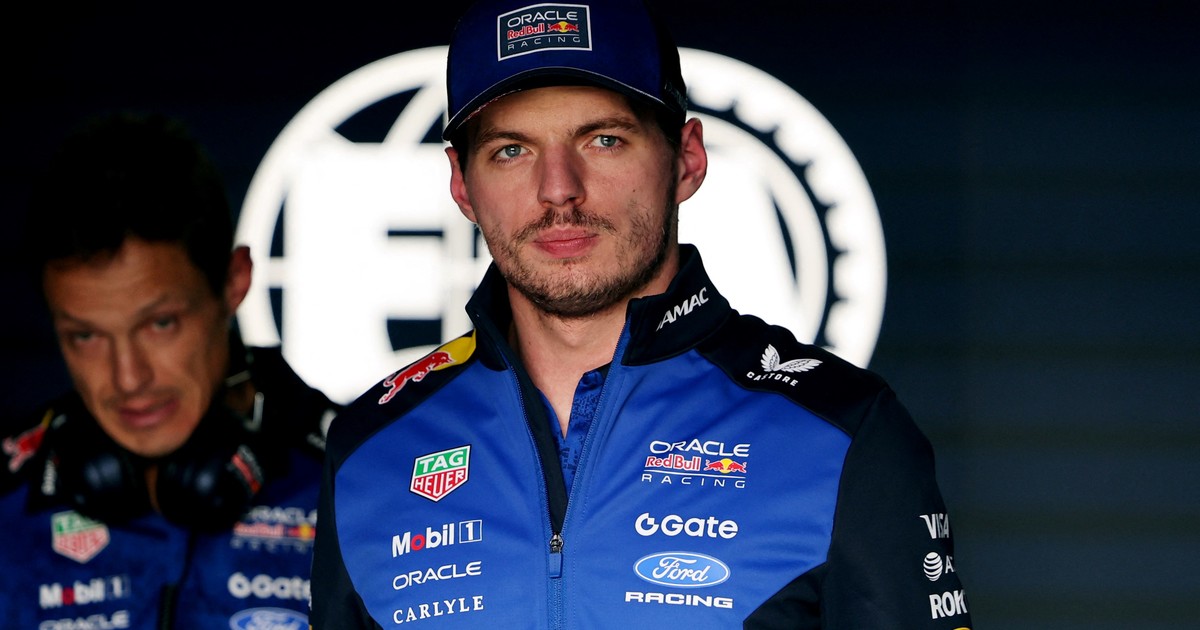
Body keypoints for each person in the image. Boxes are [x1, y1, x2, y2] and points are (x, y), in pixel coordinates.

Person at [310, 0, 972, 627]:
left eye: (603, 140)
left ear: (686, 159)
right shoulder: (371, 450)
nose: (558, 190)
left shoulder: (843, 431)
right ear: (461, 184)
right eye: (511, 150)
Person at [0, 112, 338, 629]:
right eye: (86, 336)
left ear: (234, 282)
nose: (128, 378)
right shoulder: (9, 495)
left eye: (160, 324)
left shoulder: (356, 476)